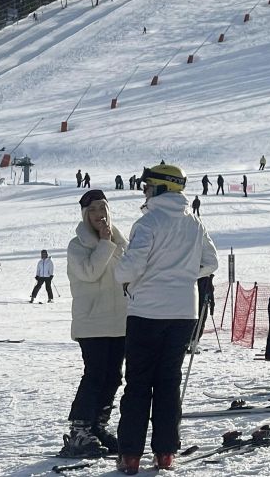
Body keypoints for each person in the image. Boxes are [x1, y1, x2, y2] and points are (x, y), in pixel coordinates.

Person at [114, 163, 218, 474]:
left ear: (161, 187)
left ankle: (130, 455)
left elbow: (129, 268)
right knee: (168, 382)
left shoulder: (148, 222)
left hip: (147, 310)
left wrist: (128, 278)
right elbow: (210, 262)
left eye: (146, 186)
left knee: (138, 383)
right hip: (183, 311)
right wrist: (183, 276)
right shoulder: (194, 222)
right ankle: (165, 453)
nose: (143, 190)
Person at [62, 188, 129, 459]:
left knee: (114, 376)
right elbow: (90, 273)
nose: (99, 215)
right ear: (85, 215)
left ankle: (98, 426)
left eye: (102, 208)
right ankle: (79, 430)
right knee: (95, 374)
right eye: (93, 210)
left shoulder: (120, 241)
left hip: (120, 321)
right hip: (92, 321)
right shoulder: (77, 245)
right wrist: (104, 243)